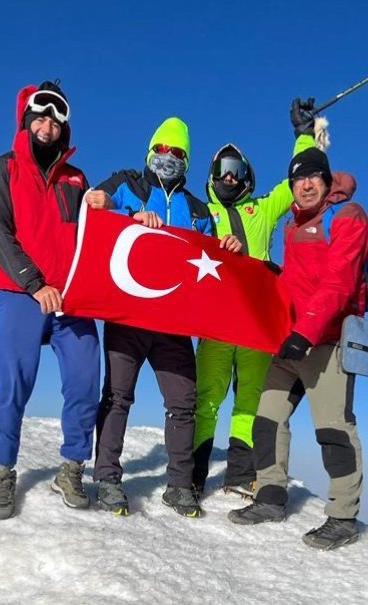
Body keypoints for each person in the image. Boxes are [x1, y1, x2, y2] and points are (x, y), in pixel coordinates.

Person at [84, 117, 241, 518]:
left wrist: (228, 247)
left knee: (182, 402)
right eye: (163, 150)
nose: (168, 158)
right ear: (150, 151)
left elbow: (210, 256)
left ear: (187, 162)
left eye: (178, 153)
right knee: (118, 395)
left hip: (173, 323)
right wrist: (128, 219)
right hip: (129, 314)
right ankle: (107, 478)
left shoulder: (197, 209)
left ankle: (178, 485)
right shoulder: (127, 185)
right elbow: (90, 208)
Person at [228, 137, 368, 551]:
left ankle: (343, 517)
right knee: (266, 420)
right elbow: (292, 282)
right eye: (299, 178)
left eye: (314, 176)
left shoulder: (348, 216)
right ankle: (272, 497)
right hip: (291, 342)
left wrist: (305, 333)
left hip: (326, 342)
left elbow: (339, 283)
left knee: (333, 430)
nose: (306, 184)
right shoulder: (292, 226)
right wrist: (252, 268)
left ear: (327, 181)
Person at [0, 81, 100, 520]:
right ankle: (3, 472)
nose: (47, 126)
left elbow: (93, 234)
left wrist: (118, 214)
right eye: (40, 118)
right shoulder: (1, 171)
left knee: (85, 380)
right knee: (13, 384)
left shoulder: (76, 178)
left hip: (71, 299)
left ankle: (71, 469)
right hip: (20, 294)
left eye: (55, 120)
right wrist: (34, 283)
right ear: (26, 121)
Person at [192, 111, 319, 498]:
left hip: (254, 324)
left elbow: (299, 180)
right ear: (213, 174)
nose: (230, 176)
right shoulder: (201, 213)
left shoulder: (262, 209)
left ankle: (238, 474)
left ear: (246, 175)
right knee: (207, 396)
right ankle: (193, 474)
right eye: (223, 168)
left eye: (237, 169)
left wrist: (304, 135)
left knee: (249, 398)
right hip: (215, 323)